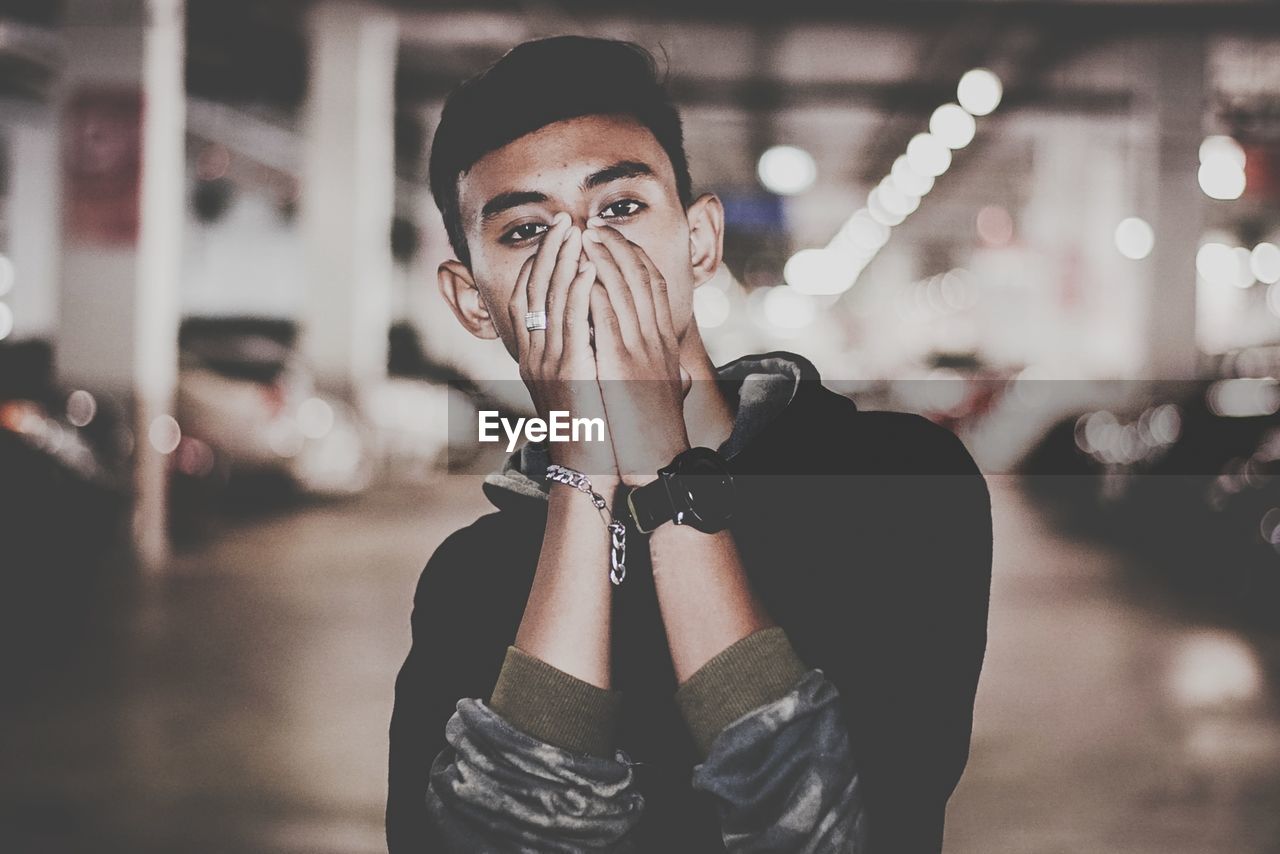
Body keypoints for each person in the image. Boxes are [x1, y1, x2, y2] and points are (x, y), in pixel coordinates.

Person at [387, 36, 993, 853]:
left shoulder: (897, 482)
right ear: (474, 304)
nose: (582, 258)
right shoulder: (471, 580)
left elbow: (843, 832)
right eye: (528, 232)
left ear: (699, 244)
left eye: (621, 209)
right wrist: (586, 467)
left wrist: (661, 466)